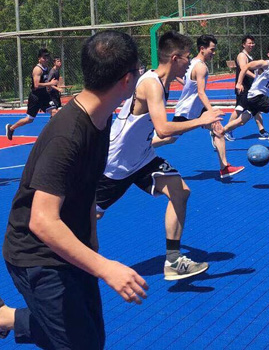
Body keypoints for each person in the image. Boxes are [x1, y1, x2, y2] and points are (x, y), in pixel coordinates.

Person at [0, 31, 148, 350]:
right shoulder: (67, 135)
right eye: (138, 70)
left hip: (70, 245)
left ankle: (0, 317)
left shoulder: (101, 118)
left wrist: (91, 244)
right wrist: (105, 267)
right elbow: (42, 221)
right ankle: (0, 317)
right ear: (126, 80)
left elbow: (87, 186)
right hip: (36, 254)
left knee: (90, 340)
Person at [95, 31, 222, 282]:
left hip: (142, 157)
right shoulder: (151, 84)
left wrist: (200, 123)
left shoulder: (164, 83)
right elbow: (163, 128)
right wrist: (201, 120)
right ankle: (59, 252)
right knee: (92, 215)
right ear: (175, 58)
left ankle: (173, 261)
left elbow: (158, 132)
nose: (189, 63)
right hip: (117, 162)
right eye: (187, 58)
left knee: (180, 191)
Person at [173, 34, 244, 179]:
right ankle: (138, 148)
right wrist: (211, 112)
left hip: (198, 108)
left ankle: (224, 168)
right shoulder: (201, 67)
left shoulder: (192, 63)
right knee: (168, 138)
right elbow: (201, 92)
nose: (214, 52)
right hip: (187, 110)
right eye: (212, 49)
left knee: (218, 130)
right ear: (202, 49)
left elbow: (187, 83)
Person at [6, 48, 59, 140]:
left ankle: (51, 134)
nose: (46, 59)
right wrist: (49, 84)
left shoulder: (47, 68)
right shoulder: (37, 70)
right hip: (35, 97)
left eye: (47, 57)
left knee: (55, 112)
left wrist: (50, 86)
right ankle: (11, 128)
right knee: (29, 119)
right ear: (39, 59)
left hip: (44, 96)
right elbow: (36, 85)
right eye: (44, 57)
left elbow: (45, 82)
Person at [224, 35, 268, 141]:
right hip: (243, 87)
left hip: (250, 87)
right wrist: (256, 77)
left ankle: (262, 131)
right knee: (239, 109)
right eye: (249, 43)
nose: (251, 45)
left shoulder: (250, 56)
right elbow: (244, 69)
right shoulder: (242, 56)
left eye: (253, 43)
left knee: (256, 107)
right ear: (243, 44)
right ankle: (227, 130)